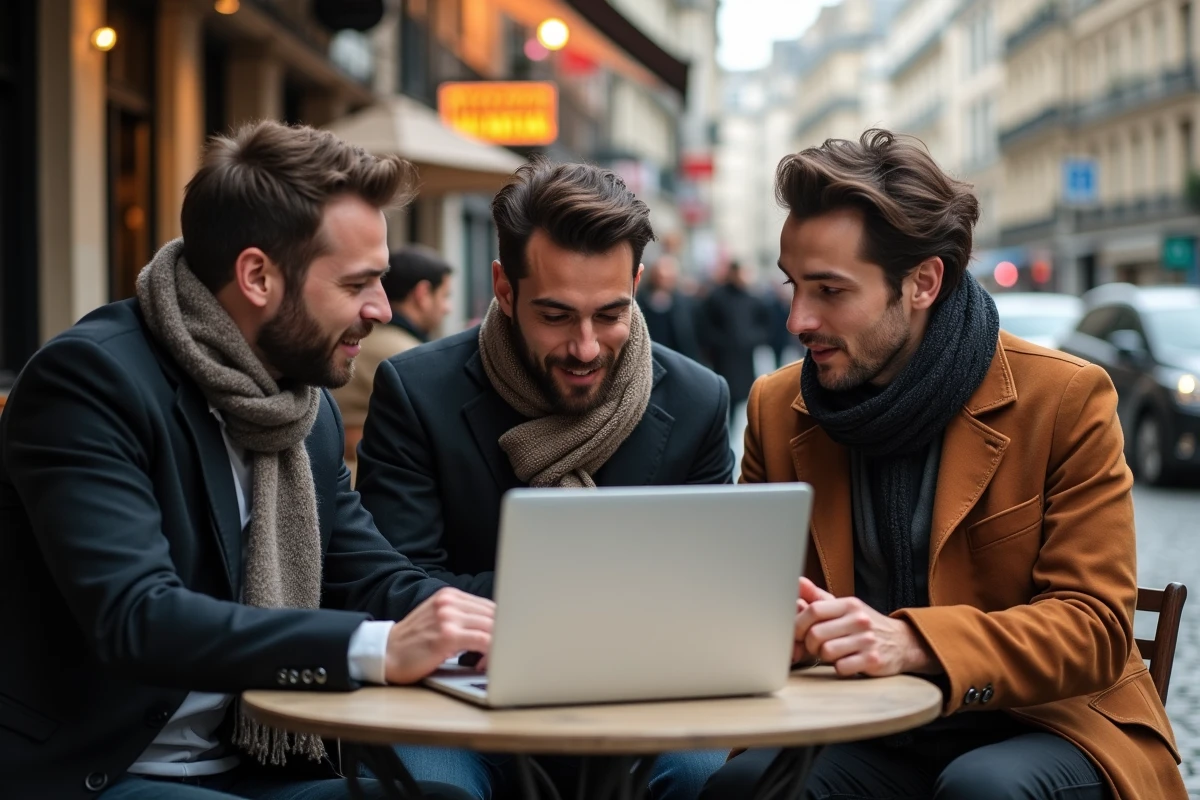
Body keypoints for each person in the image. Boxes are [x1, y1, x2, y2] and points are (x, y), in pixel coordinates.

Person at [0, 121, 494, 800]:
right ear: (258, 275)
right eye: (359, 284)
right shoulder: (91, 381)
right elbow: (136, 616)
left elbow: (373, 579)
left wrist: (512, 617)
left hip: (252, 770)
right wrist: (376, 649)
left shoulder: (300, 409)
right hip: (98, 772)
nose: (382, 308)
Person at [701, 130, 1184, 800]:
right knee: (745, 786)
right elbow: (746, 612)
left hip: (1046, 723)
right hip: (858, 729)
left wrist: (914, 641)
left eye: (830, 290)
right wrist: (773, 629)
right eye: (793, 286)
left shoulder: (1064, 397)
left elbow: (1095, 628)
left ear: (923, 281)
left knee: (980, 788)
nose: (797, 319)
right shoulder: (779, 406)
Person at [354, 158, 734, 799]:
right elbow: (393, 586)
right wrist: (605, 596)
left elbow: (709, 591)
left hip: (643, 701)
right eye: (556, 316)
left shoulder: (698, 399)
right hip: (455, 701)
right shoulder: (417, 391)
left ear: (638, 283)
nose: (586, 346)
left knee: (708, 779)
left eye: (611, 314)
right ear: (504, 289)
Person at [331, 244, 453, 431]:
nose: (448, 308)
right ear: (423, 294)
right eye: (445, 296)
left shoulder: (361, 340)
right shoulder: (411, 356)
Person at [698, 260, 773, 415]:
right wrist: (721, 342)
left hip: (745, 358)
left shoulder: (753, 299)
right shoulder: (716, 297)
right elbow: (705, 326)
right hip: (724, 358)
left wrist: (752, 339)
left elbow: (765, 325)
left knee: (744, 399)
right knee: (724, 396)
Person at [637, 254, 703, 362]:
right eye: (660, 277)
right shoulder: (641, 301)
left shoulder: (686, 304)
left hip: (679, 358)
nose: (664, 281)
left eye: (669, 277)